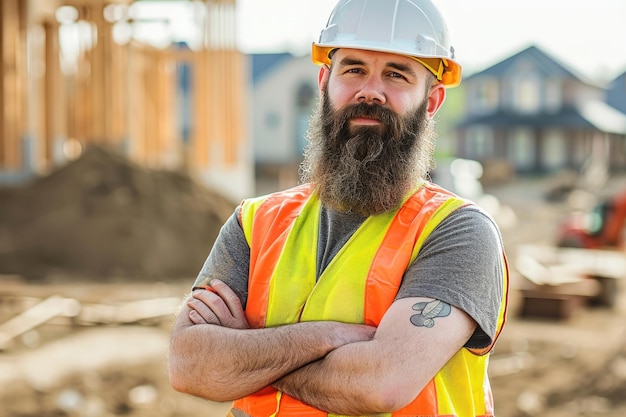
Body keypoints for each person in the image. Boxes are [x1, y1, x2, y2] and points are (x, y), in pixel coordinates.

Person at [168, 0, 509, 416]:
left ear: (432, 101)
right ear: (324, 82)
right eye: (354, 69)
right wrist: (328, 337)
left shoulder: (457, 232)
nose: (370, 90)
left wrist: (245, 353)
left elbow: (379, 385)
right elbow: (188, 365)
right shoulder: (253, 222)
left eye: (396, 74)